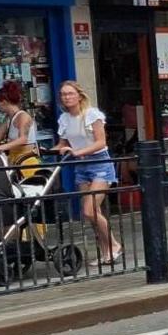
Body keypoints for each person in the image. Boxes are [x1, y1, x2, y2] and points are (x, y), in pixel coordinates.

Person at [57, 80, 121, 264]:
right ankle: (106, 251)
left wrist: (79, 152)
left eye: (70, 93)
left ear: (79, 95)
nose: (67, 97)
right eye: (63, 94)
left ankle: (115, 244)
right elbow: (62, 144)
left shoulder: (92, 115)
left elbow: (101, 142)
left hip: (100, 163)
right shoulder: (64, 119)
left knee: (89, 210)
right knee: (94, 213)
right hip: (81, 167)